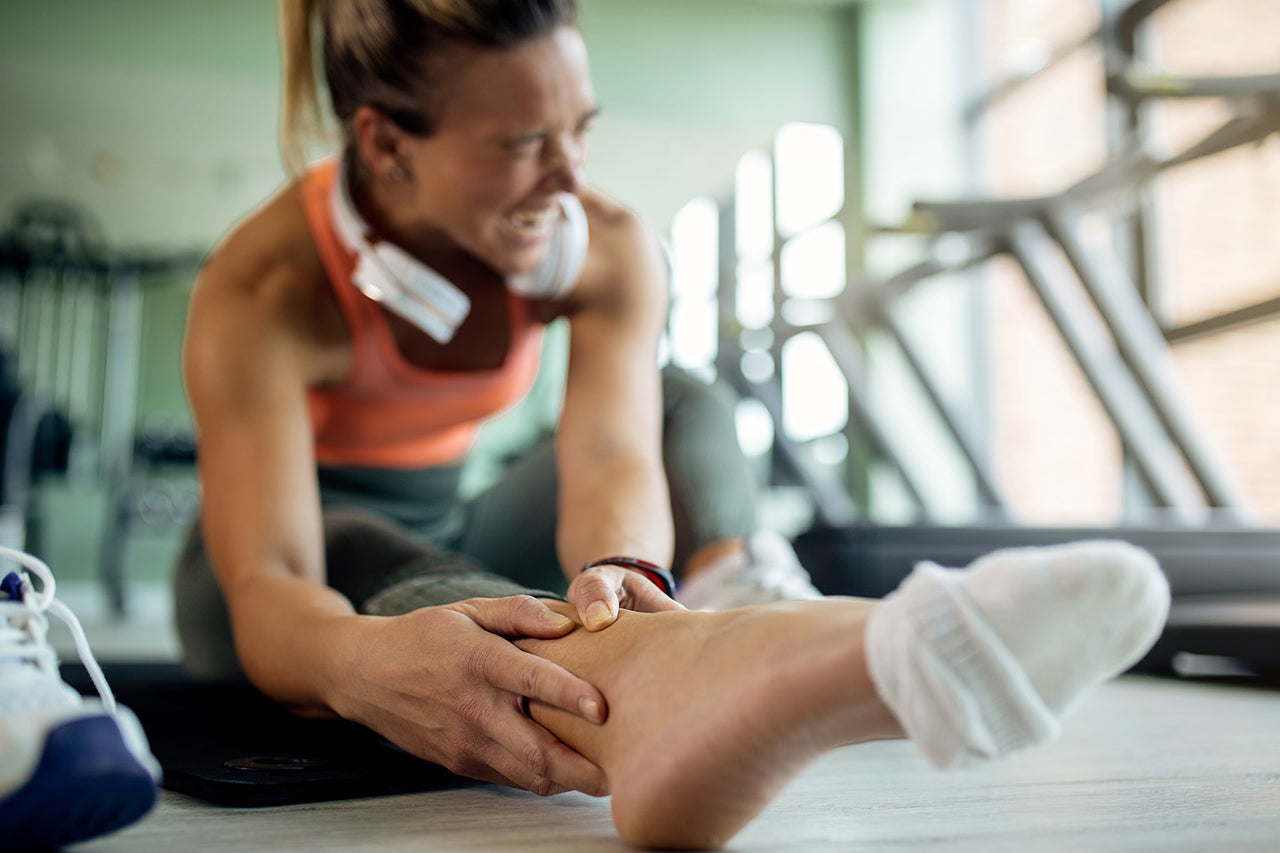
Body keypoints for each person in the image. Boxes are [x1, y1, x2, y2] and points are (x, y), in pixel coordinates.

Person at [174, 1, 1172, 849]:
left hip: (453, 521)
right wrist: (361, 664)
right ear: (387, 143)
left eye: (578, 130)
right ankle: (698, 678)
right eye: (520, 145)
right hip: (268, 571)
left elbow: (612, 451)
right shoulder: (266, 284)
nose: (568, 177)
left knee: (679, 395)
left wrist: (620, 571)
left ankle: (724, 609)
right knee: (355, 540)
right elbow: (270, 583)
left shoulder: (604, 246)